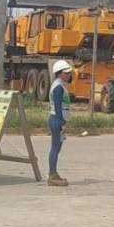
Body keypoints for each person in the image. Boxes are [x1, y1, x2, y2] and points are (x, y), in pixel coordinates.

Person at [47, 59, 73, 187]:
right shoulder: (58, 87)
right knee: (55, 148)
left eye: (69, 72)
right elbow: (58, 107)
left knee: (57, 148)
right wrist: (61, 122)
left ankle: (54, 173)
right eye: (66, 73)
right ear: (59, 73)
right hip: (57, 120)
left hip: (57, 120)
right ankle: (52, 176)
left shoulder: (60, 84)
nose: (69, 75)